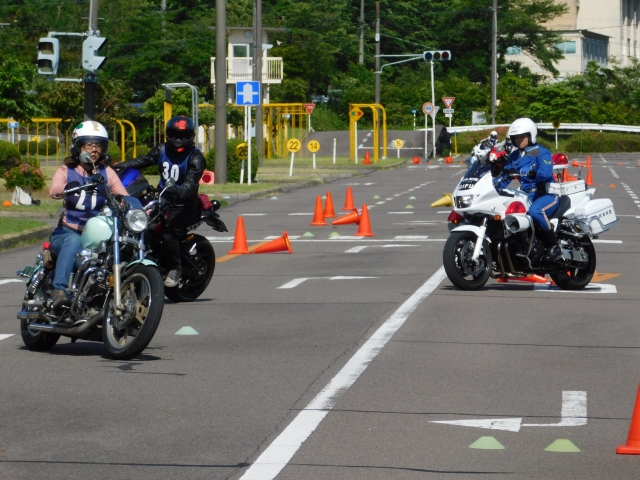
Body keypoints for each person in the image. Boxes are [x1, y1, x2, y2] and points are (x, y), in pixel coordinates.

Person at [112, 115, 205, 287]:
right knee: (138, 224)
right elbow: (143, 161)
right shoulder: (162, 149)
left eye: (183, 135)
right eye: (174, 134)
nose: (178, 139)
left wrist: (178, 190)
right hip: (162, 198)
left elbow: (191, 184)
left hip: (184, 204)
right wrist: (118, 167)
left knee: (168, 233)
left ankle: (175, 269)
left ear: (190, 136)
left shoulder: (196, 157)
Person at [49, 121, 129, 311]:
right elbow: (54, 190)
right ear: (78, 147)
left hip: (96, 232)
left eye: (98, 145)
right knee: (73, 242)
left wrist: (138, 209)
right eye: (88, 145)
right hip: (67, 231)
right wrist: (66, 188)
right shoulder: (66, 171)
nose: (94, 150)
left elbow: (123, 195)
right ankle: (59, 291)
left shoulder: (106, 172)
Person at [495, 117, 561, 260]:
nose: (519, 140)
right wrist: (493, 185)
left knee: (535, 211)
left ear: (531, 135)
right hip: (526, 196)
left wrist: (532, 172)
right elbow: (506, 174)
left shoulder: (541, 152)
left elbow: (546, 173)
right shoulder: (514, 156)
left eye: (522, 136)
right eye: (516, 137)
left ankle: (554, 246)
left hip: (546, 194)